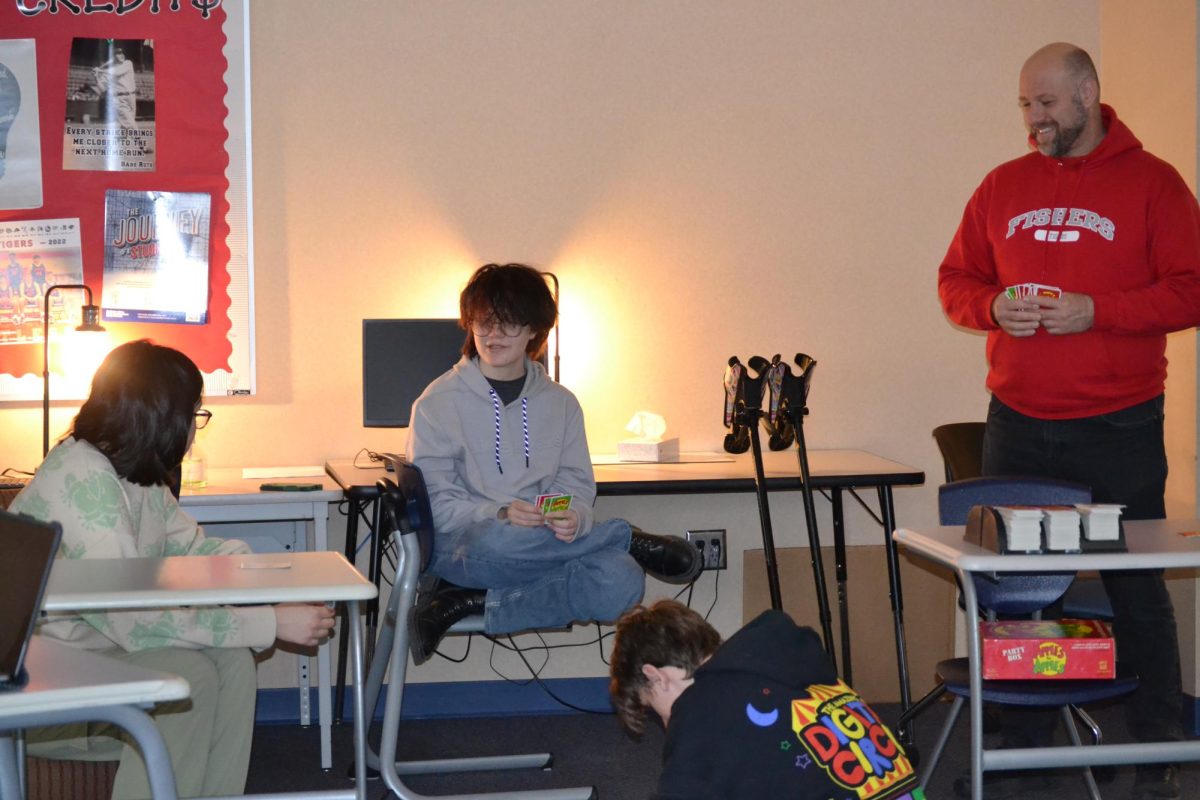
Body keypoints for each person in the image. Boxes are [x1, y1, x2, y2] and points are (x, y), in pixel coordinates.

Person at [938, 42, 1200, 800]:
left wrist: (1099, 312)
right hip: (1017, 419)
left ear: (1088, 94)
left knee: (1135, 588)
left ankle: (1159, 751)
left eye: (1047, 103)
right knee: (1019, 588)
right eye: (1025, 104)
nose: (1034, 118)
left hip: (1119, 425)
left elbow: (1190, 289)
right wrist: (991, 307)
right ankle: (1025, 744)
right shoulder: (1003, 186)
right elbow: (957, 279)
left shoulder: (1155, 185)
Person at [10, 340, 336, 799]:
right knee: (189, 677)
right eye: (194, 414)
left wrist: (262, 569)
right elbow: (137, 624)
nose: (193, 430)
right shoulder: (84, 480)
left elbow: (191, 547)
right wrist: (270, 622)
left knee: (234, 663)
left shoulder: (133, 472)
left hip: (98, 650)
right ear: (161, 415)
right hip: (42, 677)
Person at [406, 263, 700, 663]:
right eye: (484, 323)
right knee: (500, 536)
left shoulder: (561, 403)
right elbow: (437, 507)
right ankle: (623, 537)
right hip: (468, 545)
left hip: (543, 544)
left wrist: (573, 517)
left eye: (508, 323)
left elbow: (575, 485)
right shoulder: (436, 403)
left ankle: (467, 604)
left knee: (622, 579)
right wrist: (501, 510)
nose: (493, 335)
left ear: (534, 331)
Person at [609, 599, 923, 800]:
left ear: (655, 676)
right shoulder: (788, 671)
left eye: (653, 708)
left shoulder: (698, 707)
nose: (665, 724)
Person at [93, 47, 138, 128]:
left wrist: (100, 70)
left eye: (122, 53)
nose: (122, 55)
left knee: (126, 125)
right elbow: (103, 89)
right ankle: (137, 140)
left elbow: (116, 72)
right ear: (113, 57)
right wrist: (96, 77)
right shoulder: (107, 73)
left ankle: (122, 140)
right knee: (131, 125)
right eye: (118, 54)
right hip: (120, 100)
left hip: (132, 97)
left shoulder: (128, 63)